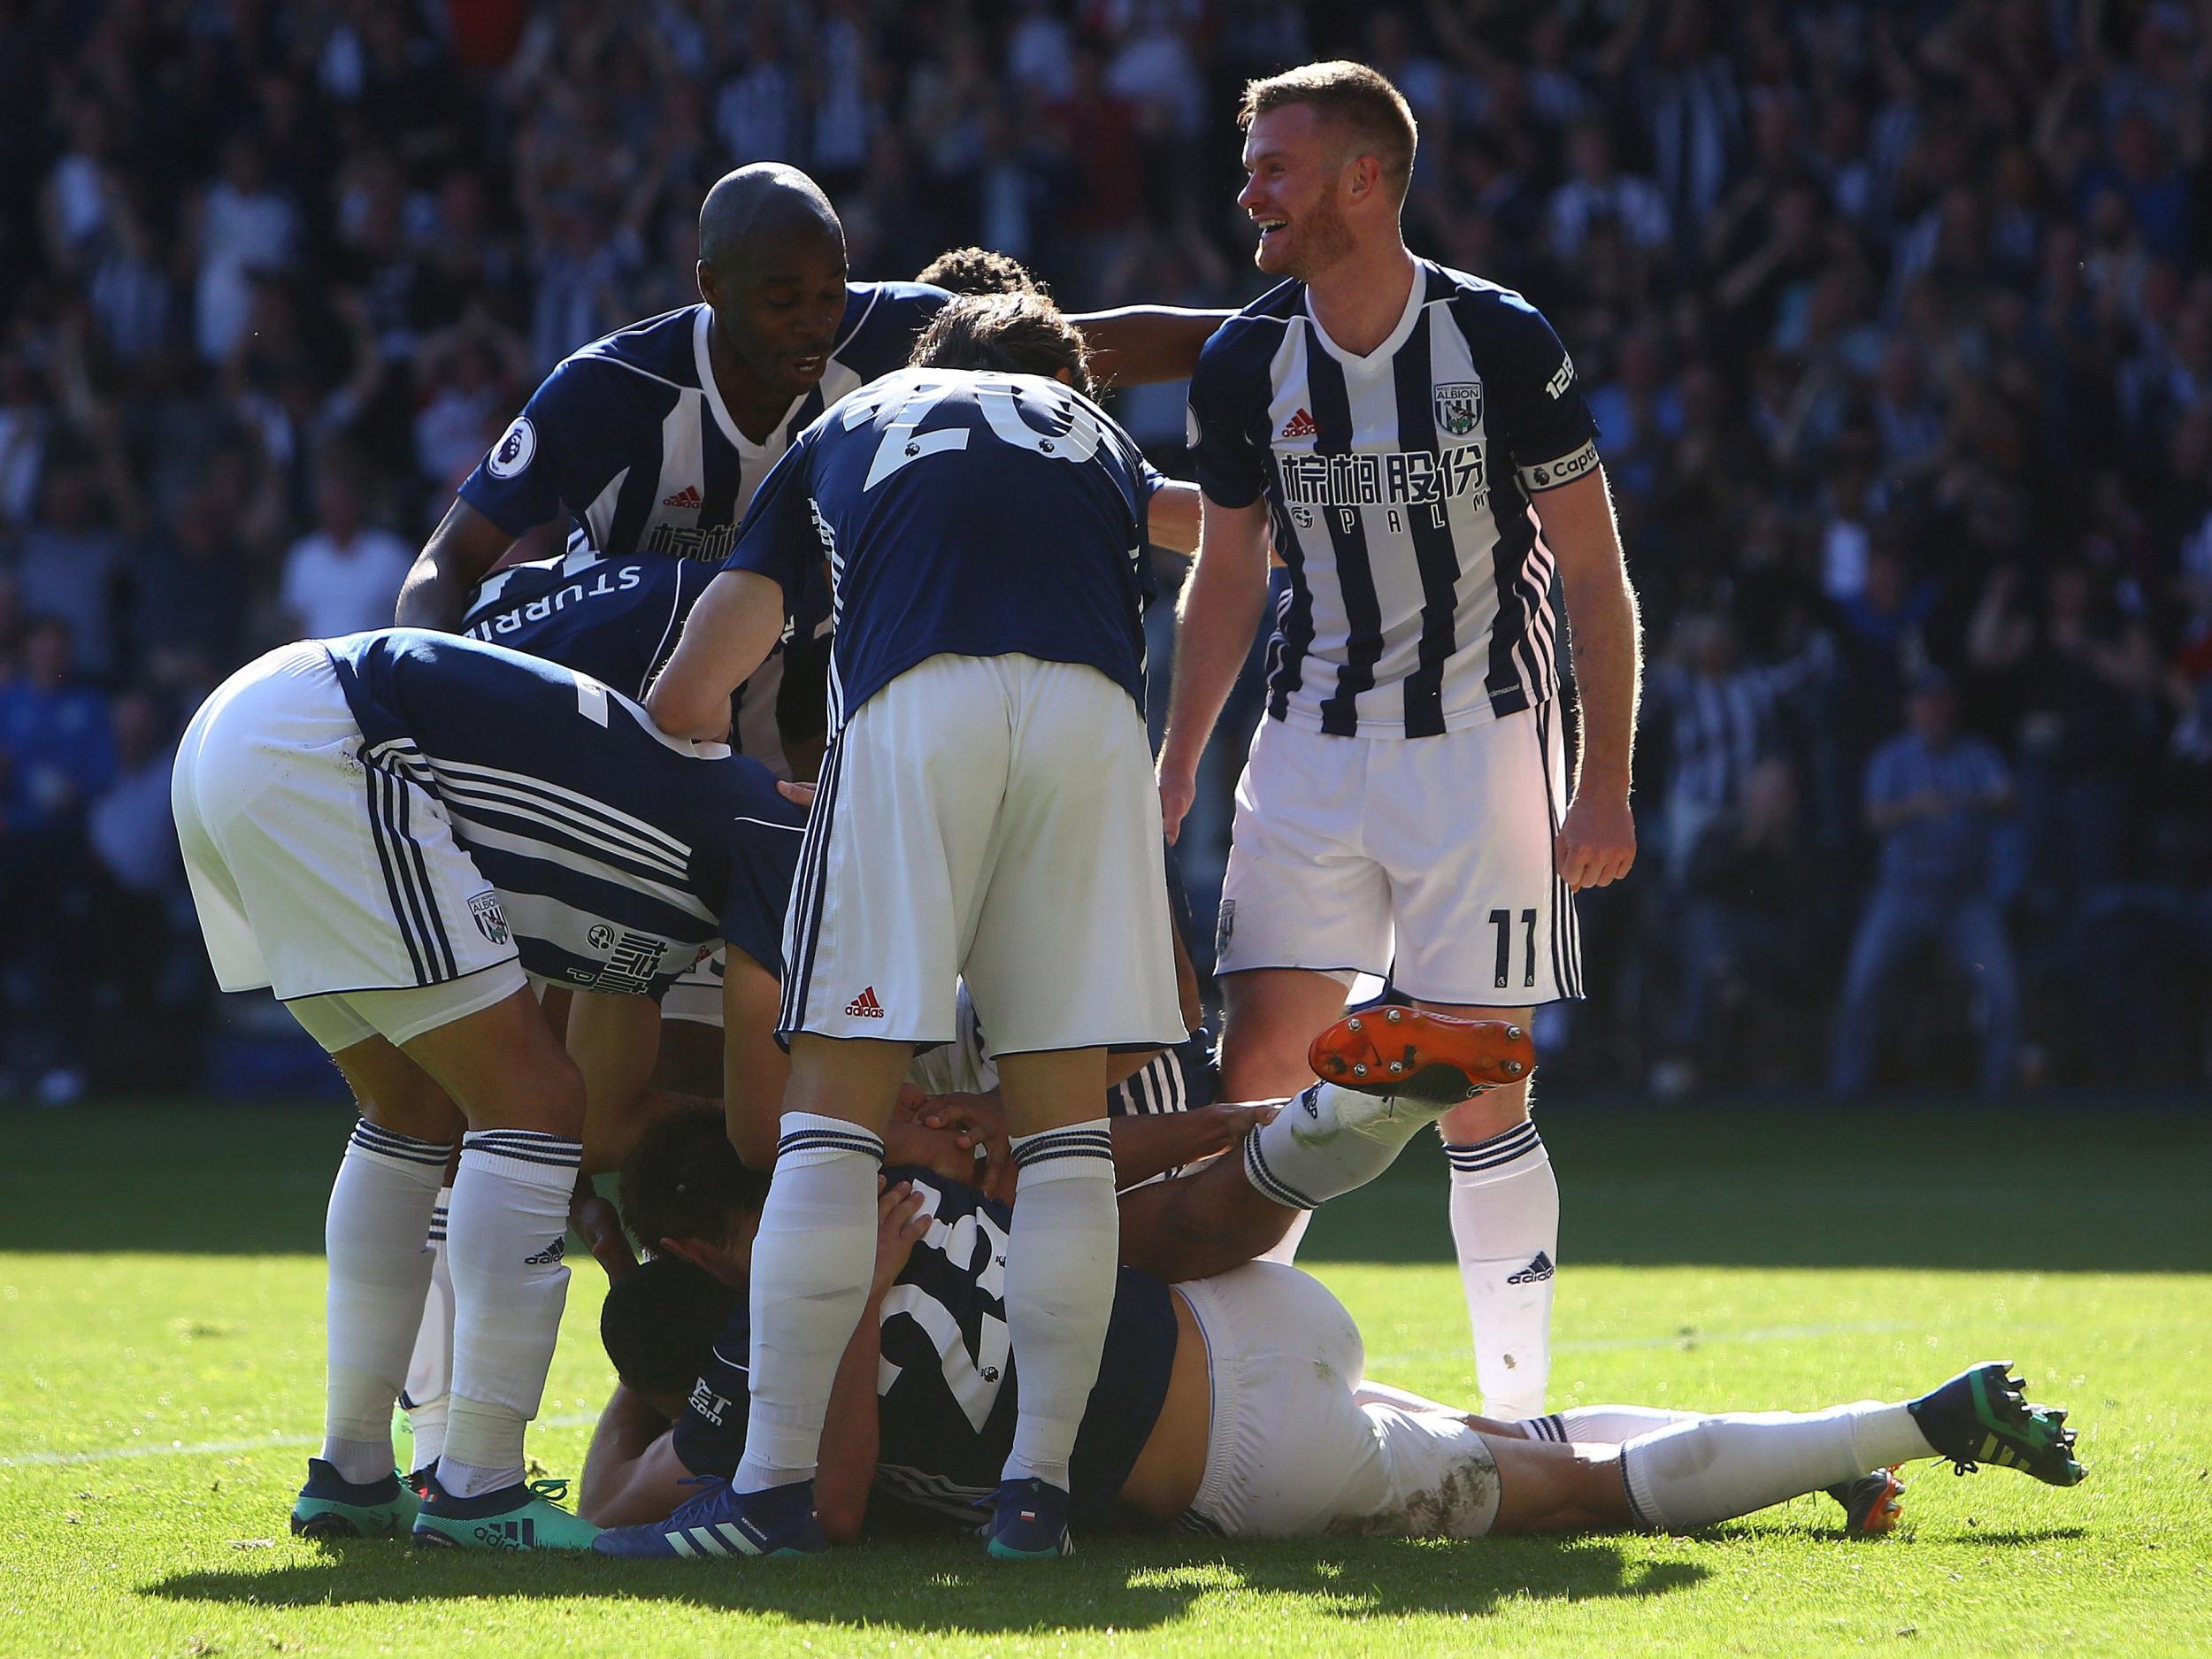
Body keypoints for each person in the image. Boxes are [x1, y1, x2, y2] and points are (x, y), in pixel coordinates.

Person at [584, 1061, 2080, 1555]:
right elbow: (1083, 1164)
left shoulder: (761, 1333)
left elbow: (759, 1506)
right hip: (1236, 1314)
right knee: (1518, 1430)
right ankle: (1324, 1121)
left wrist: (648, 1350)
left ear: (695, 1255)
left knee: (1586, 1495)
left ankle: (1921, 1418)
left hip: (1233, 1455)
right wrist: (1236, 1111)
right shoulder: (893, 1177)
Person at [644, 291, 1189, 1560]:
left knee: (829, 1126)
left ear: (922, 360)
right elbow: (1241, 537)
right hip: (1094, 719)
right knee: (1065, 1142)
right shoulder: (1093, 434)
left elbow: (687, 686)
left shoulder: (856, 417)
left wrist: (761, 781)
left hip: (916, 703)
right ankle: (1037, 1497)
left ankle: (772, 1488)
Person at [1156, 61, 1643, 1421]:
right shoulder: (1247, 357)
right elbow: (1231, 573)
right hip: (1306, 747)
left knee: (1479, 1077)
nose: (1249, 187)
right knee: (1259, 1072)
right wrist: (1180, 753)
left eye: (1275, 166)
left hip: (1479, 746)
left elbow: (1595, 572)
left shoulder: (1497, 341)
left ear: (1365, 180)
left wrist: (1600, 781)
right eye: (1250, 163)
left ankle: (1516, 1416)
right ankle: (1233, 1403)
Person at [171, 626, 805, 1550]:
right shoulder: (797, 846)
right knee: (530, 1102)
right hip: (330, 732)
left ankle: (351, 1473)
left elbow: (609, 1111)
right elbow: (759, 1127)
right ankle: (477, 1488)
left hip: (254, 727)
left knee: (414, 1111)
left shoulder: (729, 839)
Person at [1828, 672, 2020, 1099]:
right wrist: (1915, 808)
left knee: (2002, 989)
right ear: (1911, 709)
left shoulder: (1975, 754)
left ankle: (1999, 1093)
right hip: (1903, 893)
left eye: (1940, 702)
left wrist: (1964, 800)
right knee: (1861, 984)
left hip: (1964, 896)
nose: (1933, 711)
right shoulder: (1892, 758)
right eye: (1925, 702)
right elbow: (1872, 818)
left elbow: (2008, 797)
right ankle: (1846, 1090)